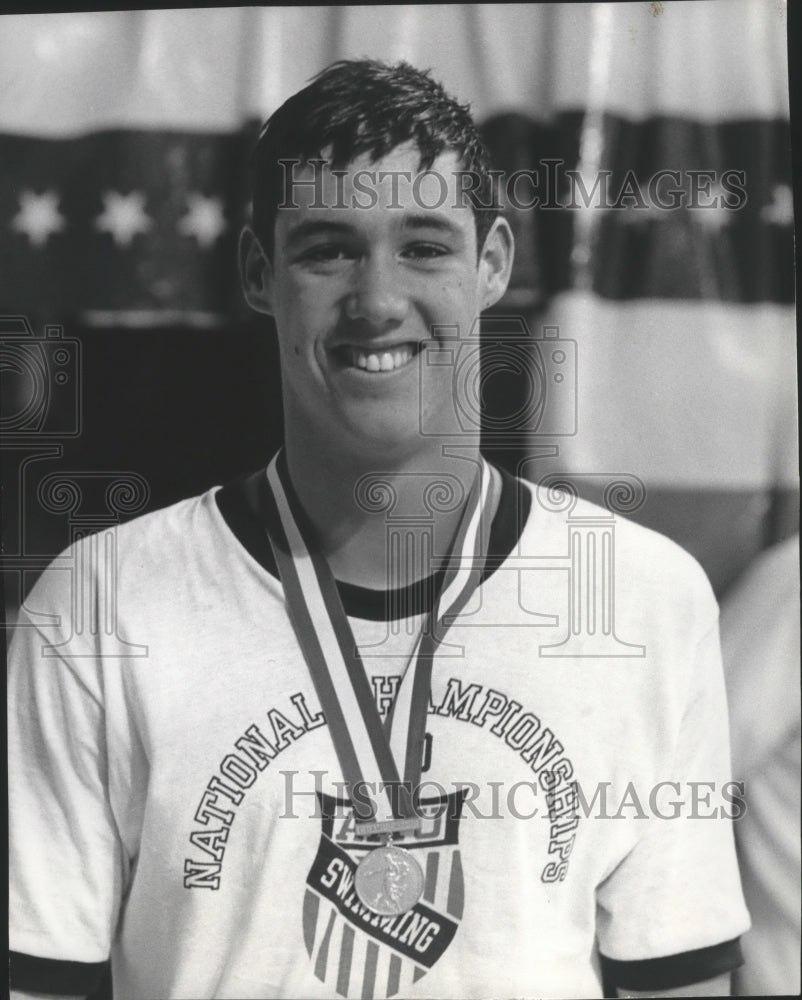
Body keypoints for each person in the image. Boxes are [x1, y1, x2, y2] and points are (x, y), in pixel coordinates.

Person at [9, 59, 750, 1000]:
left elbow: (676, 981)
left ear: (492, 264)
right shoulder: (98, 604)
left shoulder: (645, 598)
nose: (377, 298)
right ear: (257, 273)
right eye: (328, 248)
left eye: (425, 246)